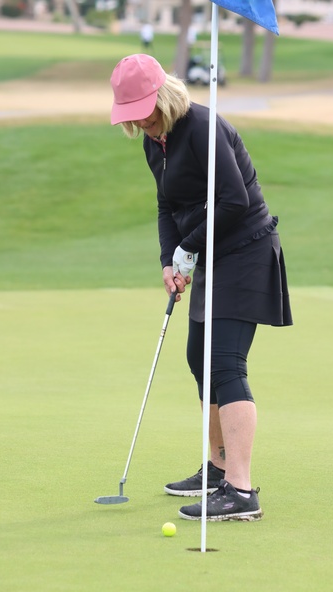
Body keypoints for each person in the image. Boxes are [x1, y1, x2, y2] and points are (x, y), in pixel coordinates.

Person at [109, 54, 292, 521]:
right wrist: (169, 260)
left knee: (225, 362)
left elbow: (235, 201)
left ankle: (241, 491)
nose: (142, 122)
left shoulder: (203, 129)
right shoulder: (155, 142)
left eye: (146, 111)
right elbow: (166, 206)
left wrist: (187, 249)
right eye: (133, 115)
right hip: (210, 253)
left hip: (246, 250)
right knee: (199, 358)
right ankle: (217, 467)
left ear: (164, 96)